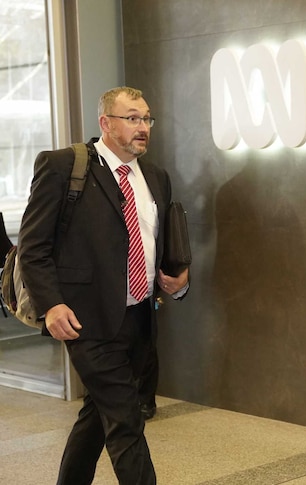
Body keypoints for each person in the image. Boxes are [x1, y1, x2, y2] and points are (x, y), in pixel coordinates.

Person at [18, 86, 189, 484]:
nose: (142, 127)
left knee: (98, 413)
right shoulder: (64, 166)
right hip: (87, 319)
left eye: (147, 118)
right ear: (105, 123)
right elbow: (33, 247)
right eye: (132, 118)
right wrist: (51, 304)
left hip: (139, 318)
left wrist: (179, 279)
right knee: (127, 419)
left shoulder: (156, 178)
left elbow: (158, 246)